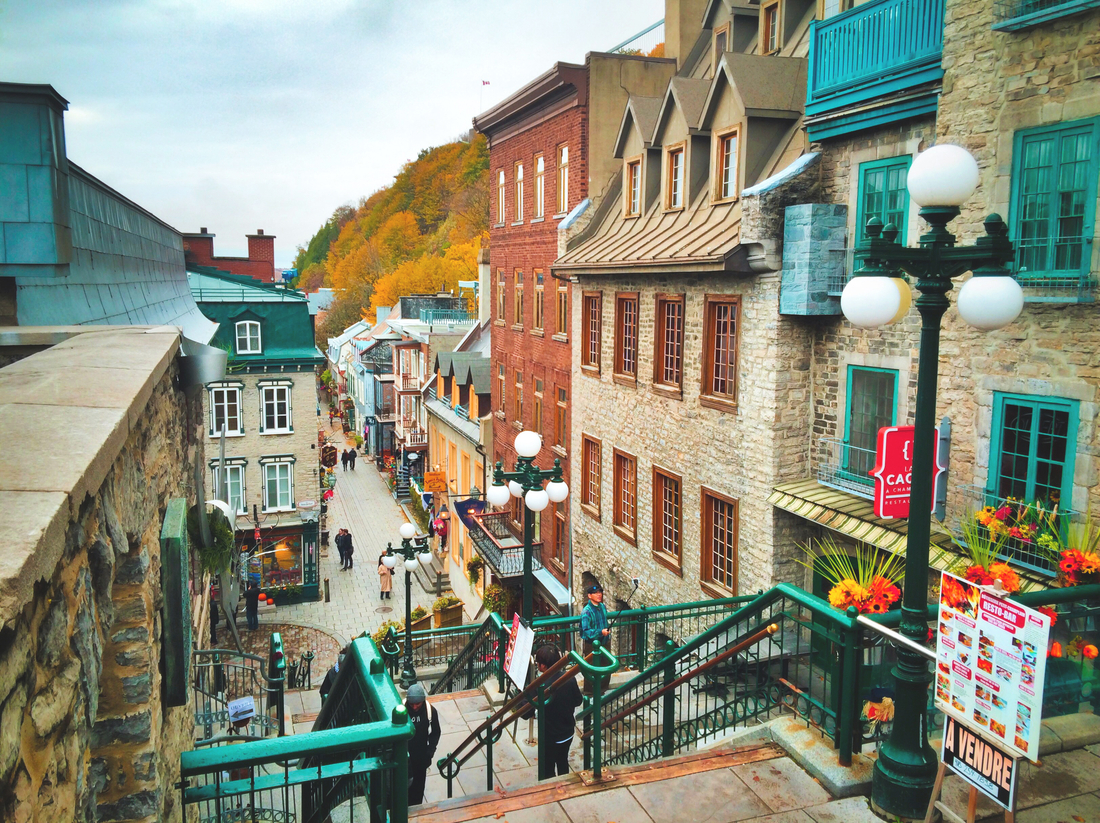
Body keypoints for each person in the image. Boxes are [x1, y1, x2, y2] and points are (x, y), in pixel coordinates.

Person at [522, 645, 583, 777]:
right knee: (562, 761)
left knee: (548, 766)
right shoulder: (569, 678)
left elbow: (524, 712)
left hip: (550, 736)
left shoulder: (540, 685)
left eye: (538, 662)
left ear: (543, 666)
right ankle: (565, 782)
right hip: (567, 732)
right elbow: (578, 700)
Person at [405, 683, 440, 806]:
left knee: (418, 790)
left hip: (421, 759)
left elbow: (435, 733)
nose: (414, 707)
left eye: (418, 704)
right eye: (412, 704)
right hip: (405, 757)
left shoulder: (431, 712)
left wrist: (429, 753)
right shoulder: (402, 710)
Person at [579, 583, 610, 694]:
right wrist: (600, 632)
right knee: (591, 668)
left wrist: (605, 633)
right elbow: (586, 631)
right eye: (595, 593)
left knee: (606, 665)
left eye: (600, 592)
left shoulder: (602, 607)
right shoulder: (586, 612)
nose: (599, 595)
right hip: (591, 643)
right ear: (589, 596)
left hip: (604, 641)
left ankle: (602, 689)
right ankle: (590, 692)